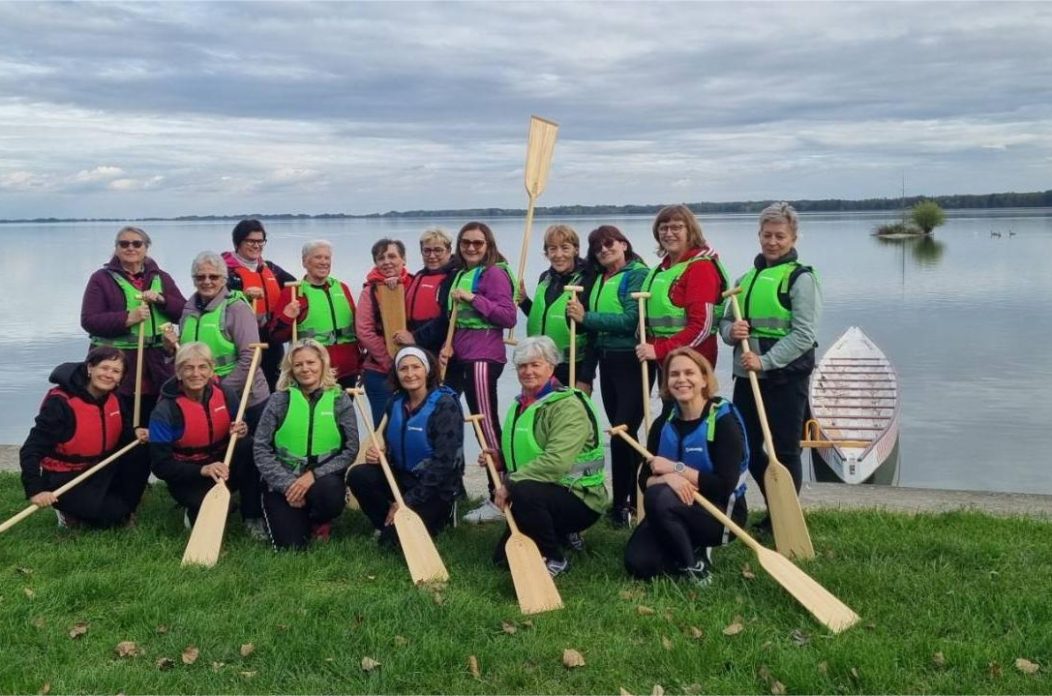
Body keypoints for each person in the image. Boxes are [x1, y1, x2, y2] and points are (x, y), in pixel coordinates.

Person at [719, 202, 821, 528]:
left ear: (793, 238)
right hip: (747, 377)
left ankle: (785, 519)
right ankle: (776, 507)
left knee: (785, 450)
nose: (772, 242)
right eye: (767, 235)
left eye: (780, 236)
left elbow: (804, 335)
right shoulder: (744, 279)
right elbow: (724, 324)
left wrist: (765, 361)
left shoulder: (800, 278)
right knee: (744, 446)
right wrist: (732, 332)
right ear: (759, 235)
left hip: (785, 377)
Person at [623, 347, 749, 586]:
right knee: (638, 563)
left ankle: (694, 566)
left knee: (658, 496)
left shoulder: (723, 423)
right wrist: (667, 479)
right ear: (667, 382)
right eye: (674, 374)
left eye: (689, 373)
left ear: (704, 379)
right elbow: (644, 480)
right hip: (670, 507)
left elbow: (722, 487)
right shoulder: (663, 424)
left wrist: (675, 469)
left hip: (719, 514)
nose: (681, 379)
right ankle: (684, 544)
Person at [486, 336, 608, 577]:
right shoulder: (522, 403)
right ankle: (561, 534)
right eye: (522, 366)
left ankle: (556, 558)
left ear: (551, 367)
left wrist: (509, 483)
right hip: (543, 490)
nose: (528, 371)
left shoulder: (568, 406)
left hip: (580, 497)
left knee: (523, 491)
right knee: (502, 561)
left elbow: (557, 461)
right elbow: (531, 448)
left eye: (535, 364)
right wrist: (501, 458)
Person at [566, 225, 650, 528]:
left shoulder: (637, 274)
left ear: (624, 244)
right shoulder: (599, 278)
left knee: (621, 433)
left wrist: (586, 317)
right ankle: (630, 501)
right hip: (607, 361)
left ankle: (622, 505)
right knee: (622, 433)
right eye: (597, 247)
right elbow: (591, 330)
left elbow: (630, 319)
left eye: (609, 243)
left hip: (632, 362)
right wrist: (586, 374)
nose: (604, 250)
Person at [19, 347, 150, 528]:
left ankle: (122, 509)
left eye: (116, 371)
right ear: (90, 368)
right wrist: (36, 490)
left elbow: (123, 432)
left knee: (141, 452)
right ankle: (67, 511)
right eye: (104, 368)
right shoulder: (61, 403)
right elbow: (31, 449)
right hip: (66, 476)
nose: (109, 375)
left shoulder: (115, 398)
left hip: (101, 467)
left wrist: (135, 432)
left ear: (121, 377)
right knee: (111, 515)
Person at [347, 347, 464, 545]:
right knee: (359, 475)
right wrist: (380, 455)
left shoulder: (445, 405)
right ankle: (385, 523)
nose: (410, 374)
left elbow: (444, 463)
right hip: (403, 478)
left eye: (416, 367)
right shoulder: (395, 402)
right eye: (403, 369)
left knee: (391, 543)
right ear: (397, 373)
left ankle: (442, 515)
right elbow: (391, 444)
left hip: (434, 487)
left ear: (427, 370)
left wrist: (408, 501)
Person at [441, 222, 517, 524]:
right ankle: (494, 491)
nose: (471, 247)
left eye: (478, 243)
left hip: (484, 357)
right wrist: (448, 346)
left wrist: (473, 298)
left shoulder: (493, 273)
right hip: (463, 355)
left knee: (486, 425)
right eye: (466, 242)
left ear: (488, 246)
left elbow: (508, 316)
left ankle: (499, 495)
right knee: (475, 423)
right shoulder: (462, 273)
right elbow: (457, 320)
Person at [253, 339, 359, 550]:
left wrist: (313, 476)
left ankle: (318, 519)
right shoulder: (279, 400)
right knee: (291, 547)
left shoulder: (340, 399)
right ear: (291, 368)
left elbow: (351, 449)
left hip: (321, 480)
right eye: (298, 364)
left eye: (311, 362)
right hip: (284, 480)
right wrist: (288, 485)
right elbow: (260, 448)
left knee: (330, 493)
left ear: (322, 364)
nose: (305, 369)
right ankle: (292, 517)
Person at [149, 342, 261, 537]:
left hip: (222, 467)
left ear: (211, 370)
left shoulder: (226, 394)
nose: (196, 374)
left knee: (249, 446)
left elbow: (239, 425)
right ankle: (193, 508)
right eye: (188, 368)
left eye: (202, 367)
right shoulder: (164, 411)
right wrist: (203, 470)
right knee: (221, 511)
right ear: (178, 372)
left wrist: (241, 430)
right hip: (188, 477)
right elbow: (160, 466)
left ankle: (252, 516)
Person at [80, 226, 186, 423]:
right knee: (119, 421)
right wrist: (127, 318)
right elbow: (89, 320)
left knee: (159, 418)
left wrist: (162, 300)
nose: (130, 248)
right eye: (124, 244)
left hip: (157, 367)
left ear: (146, 248)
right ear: (116, 248)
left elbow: (183, 312)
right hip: (116, 367)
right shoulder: (101, 279)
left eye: (137, 244)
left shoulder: (161, 277)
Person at [171, 251, 270, 427]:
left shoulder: (237, 309)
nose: (207, 281)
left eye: (213, 277)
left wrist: (222, 391)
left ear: (224, 279)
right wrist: (170, 346)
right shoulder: (188, 310)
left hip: (244, 397)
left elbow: (251, 357)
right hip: (204, 394)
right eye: (200, 277)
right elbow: (184, 352)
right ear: (194, 280)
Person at [635, 205, 729, 372]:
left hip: (693, 362)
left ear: (690, 231)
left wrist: (659, 350)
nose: (668, 233)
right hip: (665, 360)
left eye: (676, 227)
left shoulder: (701, 268)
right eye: (663, 228)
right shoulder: (661, 270)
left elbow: (701, 327)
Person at [270, 240, 363, 389]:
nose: (323, 262)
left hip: (347, 371)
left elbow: (358, 328)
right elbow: (276, 337)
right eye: (318, 257)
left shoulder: (342, 288)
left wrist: (362, 362)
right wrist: (287, 317)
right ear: (304, 262)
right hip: (312, 374)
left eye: (327, 258)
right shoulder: (293, 293)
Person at [518, 224, 594, 392]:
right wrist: (524, 301)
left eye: (565, 248)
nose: (559, 255)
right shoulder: (545, 278)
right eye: (552, 249)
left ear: (575, 250)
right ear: (546, 253)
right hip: (540, 366)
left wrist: (586, 378)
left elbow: (593, 333)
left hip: (571, 367)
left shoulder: (587, 280)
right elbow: (544, 317)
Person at [222, 219, 297, 391]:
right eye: (250, 241)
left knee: (274, 387)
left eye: (260, 241)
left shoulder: (271, 269)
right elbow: (218, 301)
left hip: (271, 339)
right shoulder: (225, 272)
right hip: (243, 342)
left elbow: (296, 287)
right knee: (247, 390)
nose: (256, 246)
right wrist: (243, 296)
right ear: (238, 242)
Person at [356, 238, 413, 424]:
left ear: (403, 259)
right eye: (381, 258)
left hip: (414, 370)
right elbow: (364, 331)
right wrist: (392, 363)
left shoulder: (414, 284)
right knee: (385, 428)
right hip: (380, 373)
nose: (387, 262)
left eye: (392, 256)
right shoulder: (369, 292)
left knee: (413, 426)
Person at [393, 228, 456, 355]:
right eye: (427, 250)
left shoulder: (454, 277)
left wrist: (416, 338)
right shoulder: (420, 275)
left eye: (438, 250)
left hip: (438, 349)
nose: (432, 256)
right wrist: (393, 282)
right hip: (414, 347)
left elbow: (447, 319)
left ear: (449, 250)